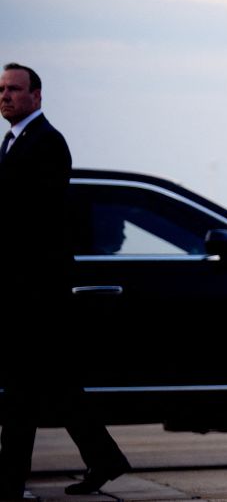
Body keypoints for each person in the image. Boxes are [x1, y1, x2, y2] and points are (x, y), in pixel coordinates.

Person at [0, 63, 132, 499]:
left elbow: (34, 219)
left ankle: (10, 481)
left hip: (35, 289)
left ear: (36, 96)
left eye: (14, 89)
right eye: (1, 90)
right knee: (57, 387)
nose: (5, 97)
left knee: (21, 389)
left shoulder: (46, 143)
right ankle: (106, 458)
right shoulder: (14, 141)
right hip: (27, 286)